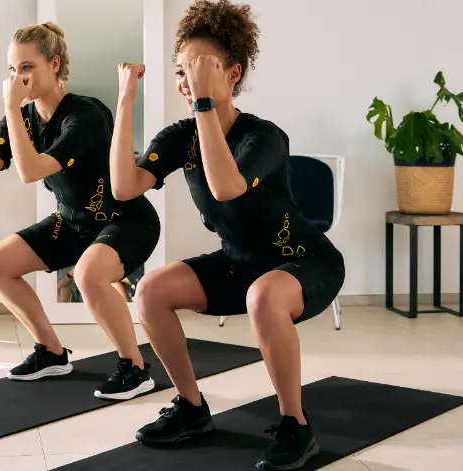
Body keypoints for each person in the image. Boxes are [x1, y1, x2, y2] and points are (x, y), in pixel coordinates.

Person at [110, 0, 345, 469]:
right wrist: (124, 103)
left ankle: (296, 427)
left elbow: (226, 186)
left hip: (302, 259)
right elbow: (122, 188)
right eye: (181, 72)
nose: (186, 82)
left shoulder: (264, 137)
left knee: (263, 296)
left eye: (198, 70)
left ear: (232, 73)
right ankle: (192, 410)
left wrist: (202, 103)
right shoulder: (180, 136)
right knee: (152, 291)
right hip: (240, 261)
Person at [0, 21, 160, 401]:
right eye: (12, 69)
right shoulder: (22, 120)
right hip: (73, 222)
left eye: (27, 67)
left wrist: (8, 104)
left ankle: (135, 368)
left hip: (125, 219)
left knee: (88, 275)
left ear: (54, 64)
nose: (17, 78)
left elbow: (30, 171)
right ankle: (51, 352)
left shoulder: (85, 115)